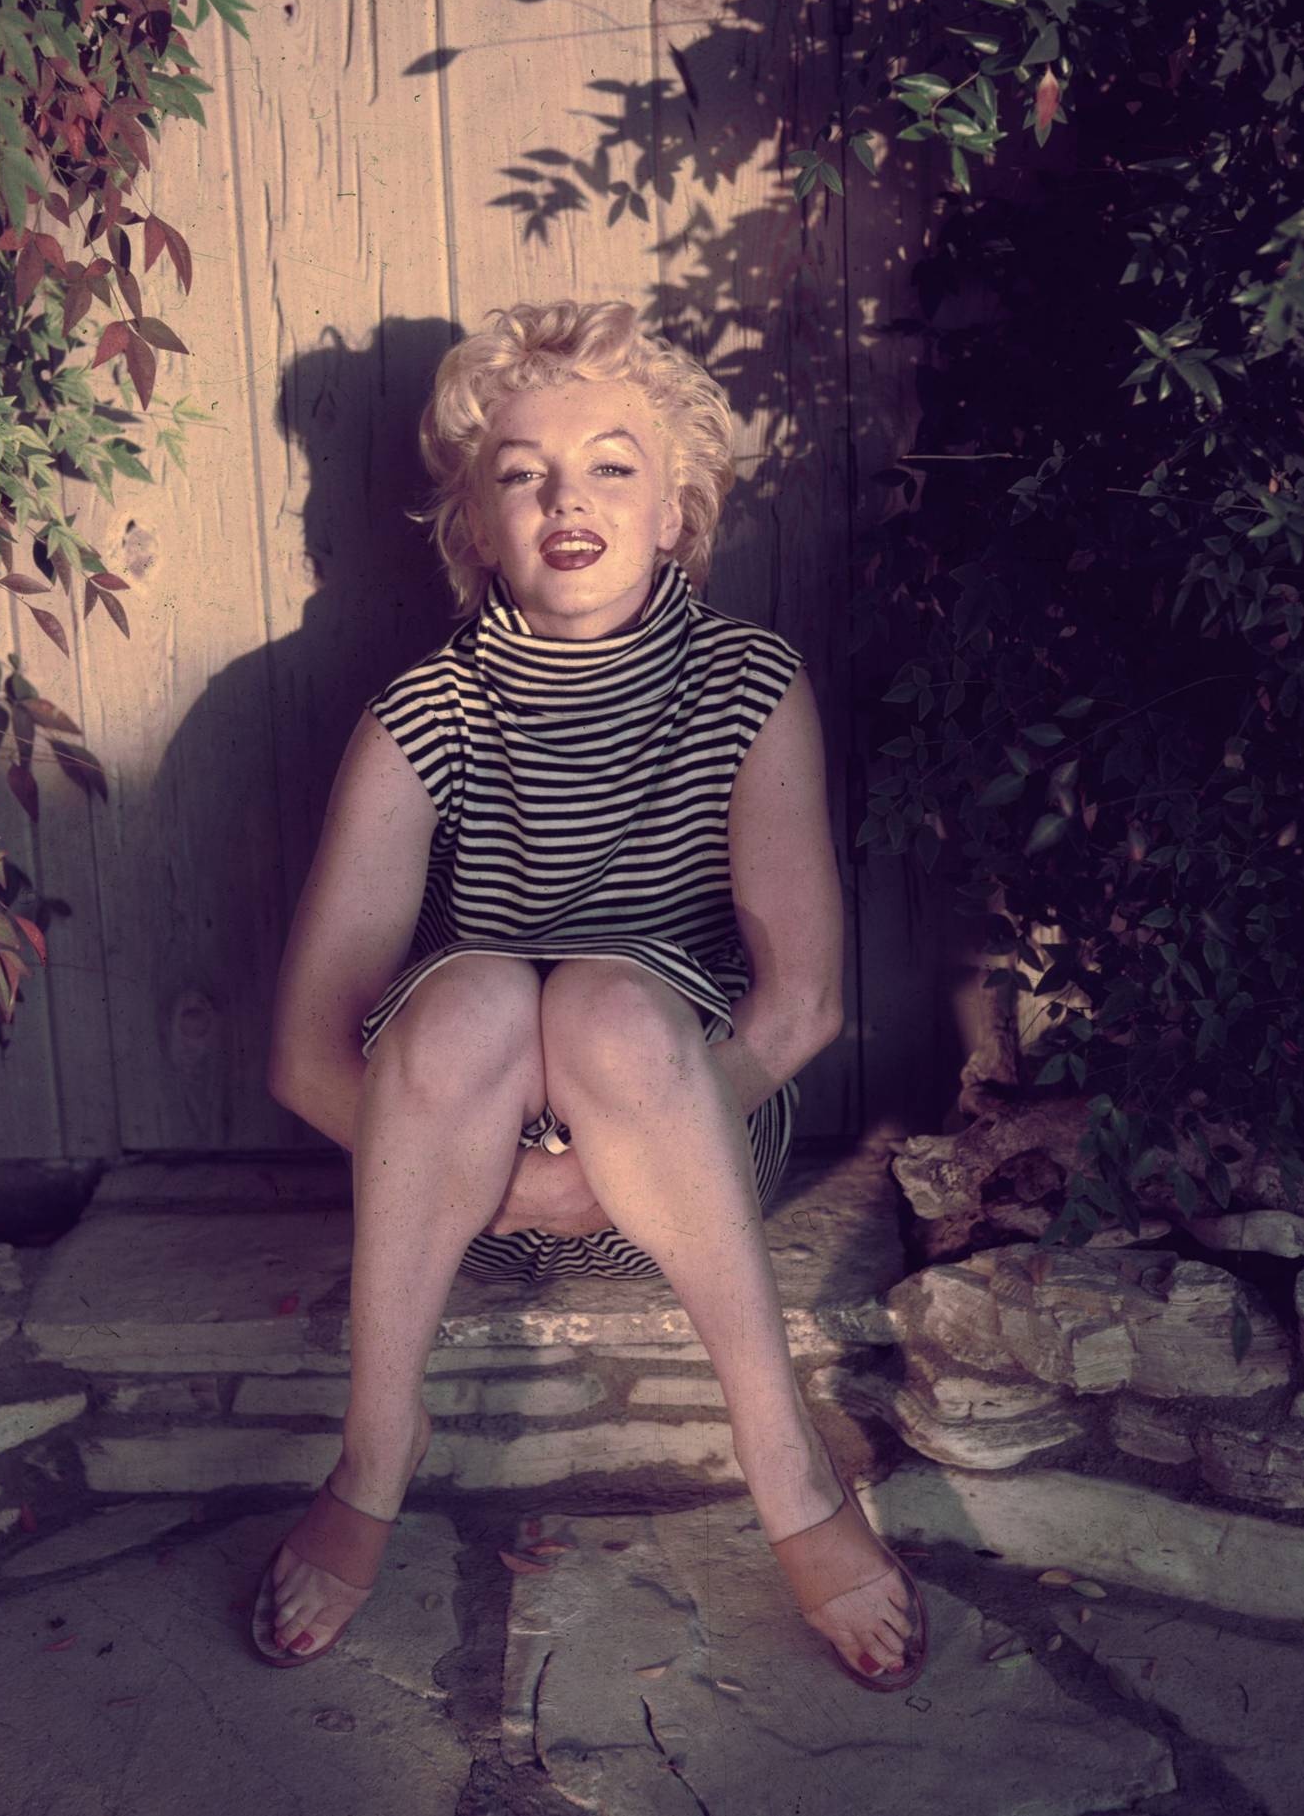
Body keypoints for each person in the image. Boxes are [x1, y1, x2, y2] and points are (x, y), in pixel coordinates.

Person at [252, 300, 925, 1691]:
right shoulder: (424, 713)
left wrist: (610, 1169)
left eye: (611, 465)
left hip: (685, 1180)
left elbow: (800, 1006)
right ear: (474, 528)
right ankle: (377, 1445)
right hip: (461, 1201)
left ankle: (784, 1456)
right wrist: (508, 1185)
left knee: (610, 1005)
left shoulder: (748, 684)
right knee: (476, 998)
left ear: (675, 511)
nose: (567, 500)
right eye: (522, 474)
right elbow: (307, 1056)